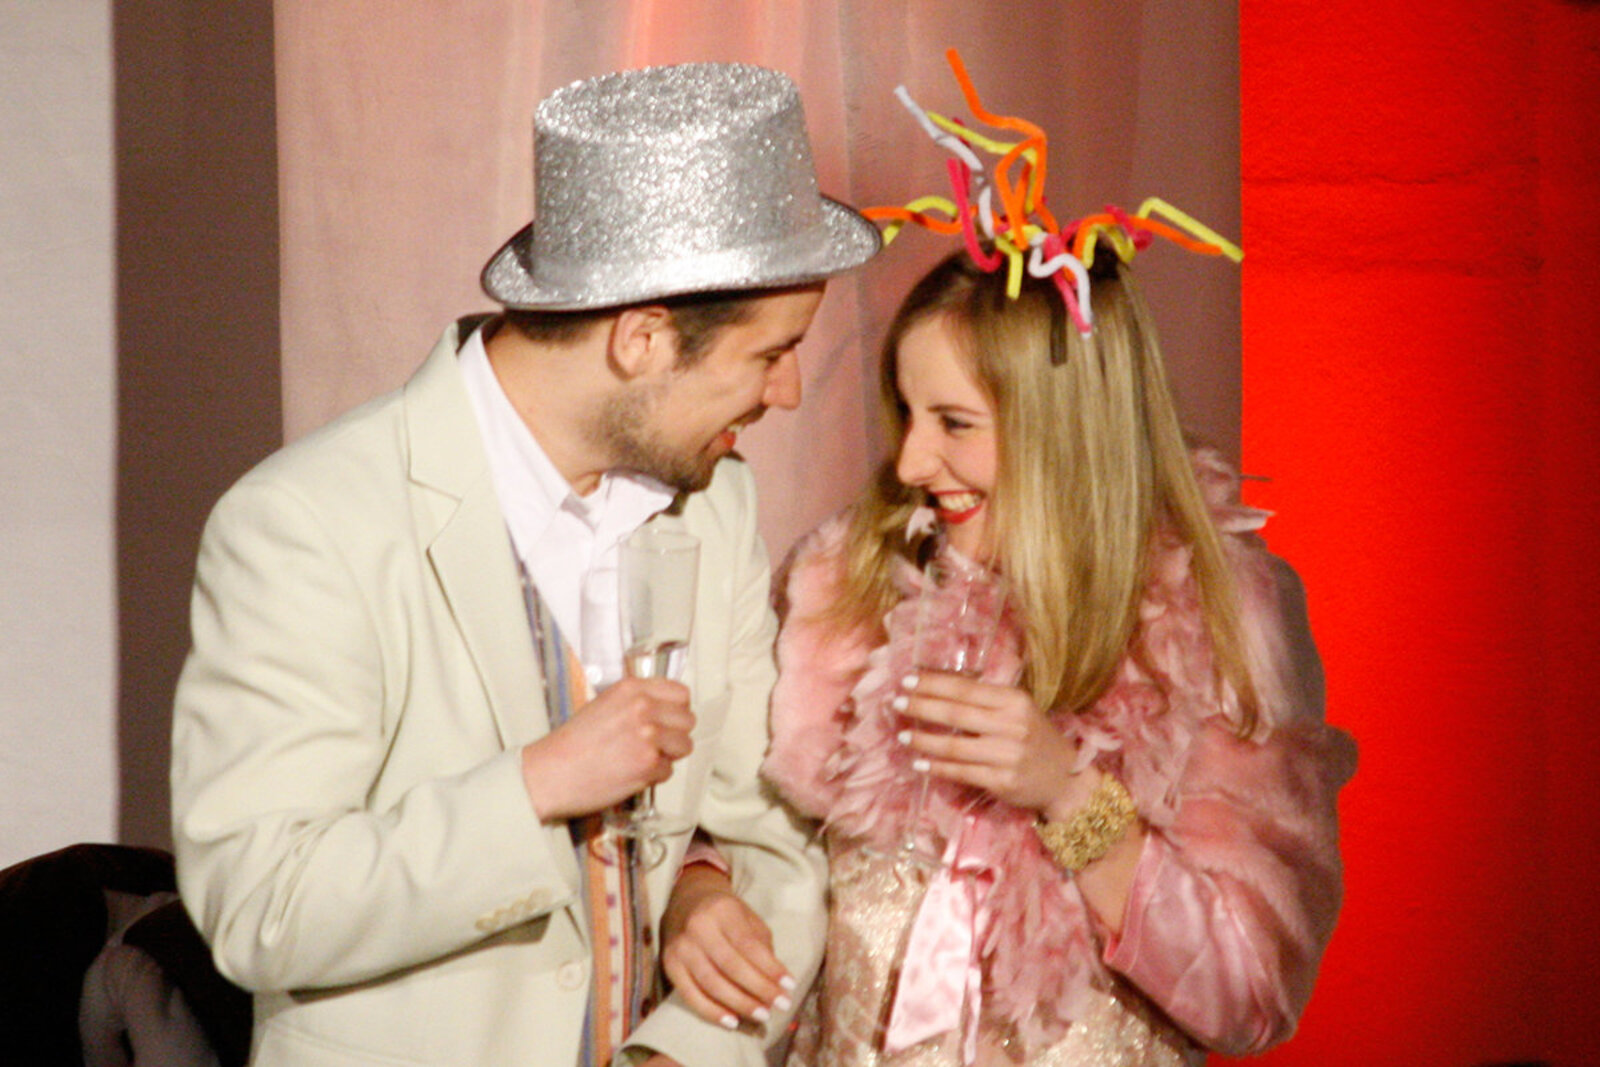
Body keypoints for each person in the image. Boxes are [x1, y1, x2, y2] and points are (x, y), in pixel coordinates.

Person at [169, 62, 879, 1067]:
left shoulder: (716, 504)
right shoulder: (308, 523)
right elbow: (261, 903)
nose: (790, 390)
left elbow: (770, 833)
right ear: (641, 339)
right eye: (771, 352)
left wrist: (692, 959)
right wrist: (538, 782)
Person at [742, 59, 1356, 1067]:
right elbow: (750, 841)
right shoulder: (842, 589)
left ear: (1062, 432)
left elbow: (1249, 995)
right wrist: (706, 885)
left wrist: (1069, 795)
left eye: (954, 423)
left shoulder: (1218, 621)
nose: (910, 461)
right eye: (906, 414)